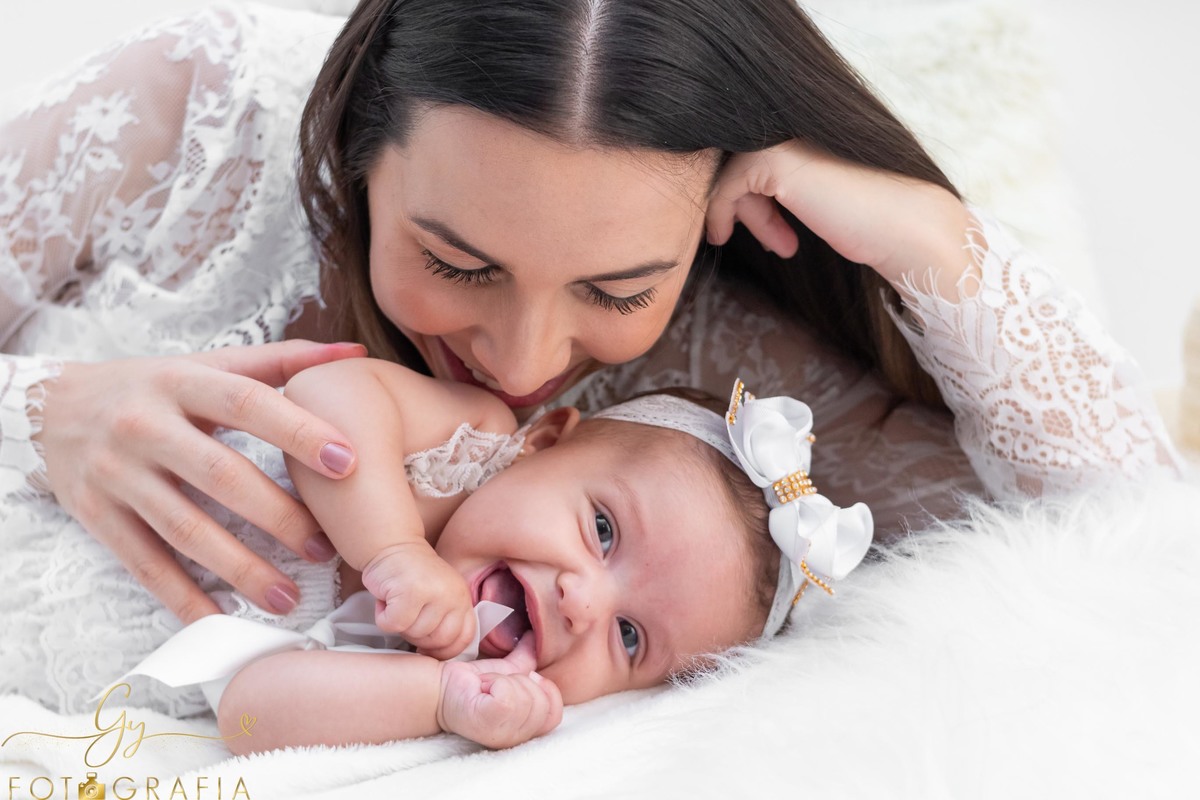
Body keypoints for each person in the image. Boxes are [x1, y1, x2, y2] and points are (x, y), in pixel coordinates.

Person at [0, 0, 1180, 699]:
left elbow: (1136, 558)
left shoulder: (721, 368)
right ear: (359, 144)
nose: (524, 363)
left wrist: (935, 241)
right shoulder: (198, 108)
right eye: (458, 263)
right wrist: (46, 410)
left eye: (619, 290)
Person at [91, 364, 870, 750]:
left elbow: (249, 713)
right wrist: (393, 548)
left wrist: (439, 700)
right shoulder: (469, 447)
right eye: (602, 531)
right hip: (94, 494)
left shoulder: (437, 674)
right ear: (544, 442)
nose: (583, 603)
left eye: (629, 637)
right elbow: (324, 394)